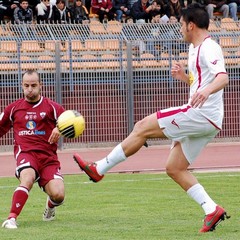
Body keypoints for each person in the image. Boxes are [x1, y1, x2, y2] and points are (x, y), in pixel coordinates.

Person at [74, 3, 230, 233]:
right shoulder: (195, 48)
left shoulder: (209, 47)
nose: (179, 29)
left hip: (201, 114)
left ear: (191, 25)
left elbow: (222, 78)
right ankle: (211, 210)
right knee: (174, 168)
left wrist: (206, 92)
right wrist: (184, 78)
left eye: (181, 25)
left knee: (142, 126)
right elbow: (201, 81)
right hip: (209, 120)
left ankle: (99, 169)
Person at [1, 70, 65, 229]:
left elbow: (75, 121)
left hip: (48, 159)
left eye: (33, 85)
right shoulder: (13, 109)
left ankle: (50, 208)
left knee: (59, 195)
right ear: (22, 86)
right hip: (26, 154)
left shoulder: (52, 107)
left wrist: (61, 128)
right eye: (26, 85)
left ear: (40, 86)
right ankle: (11, 219)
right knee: (27, 177)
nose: (30, 89)